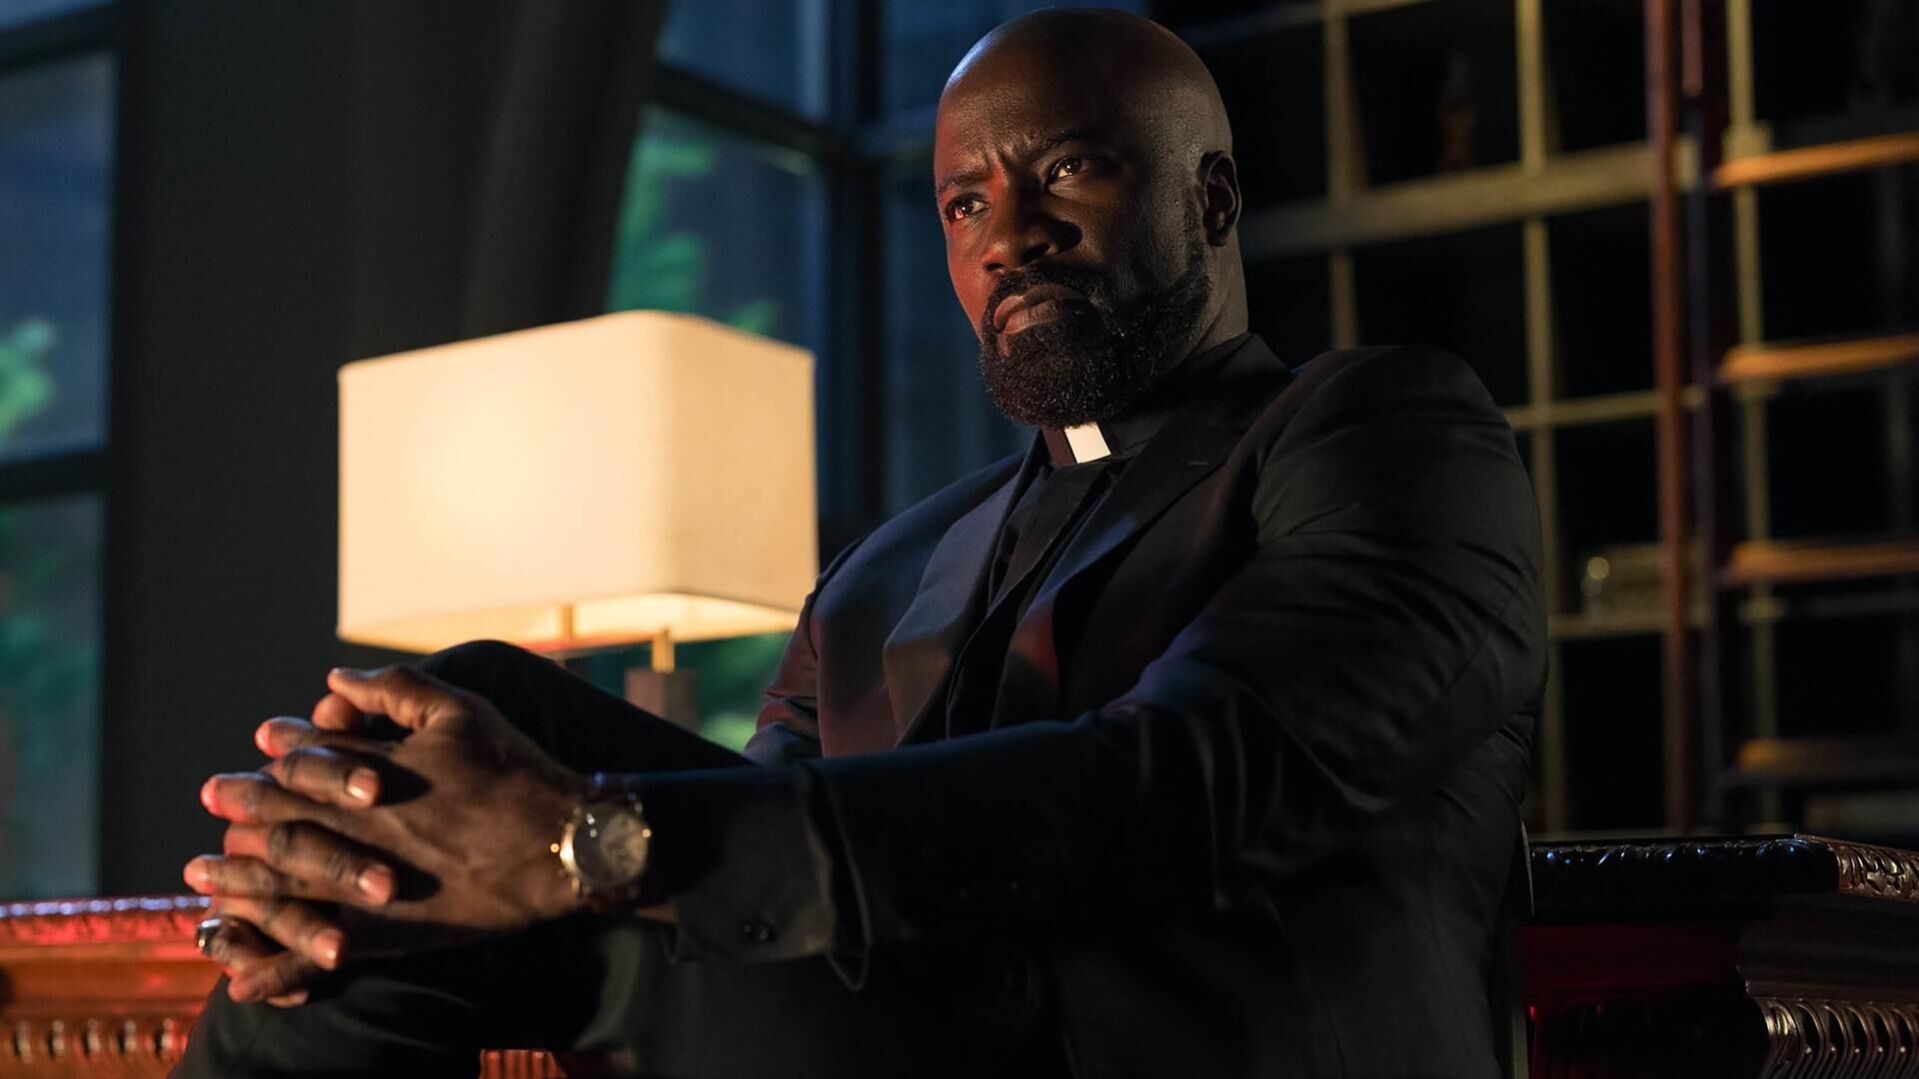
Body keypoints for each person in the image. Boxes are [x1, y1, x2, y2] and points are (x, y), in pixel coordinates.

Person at [176, 9, 1544, 1077]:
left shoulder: (1385, 431)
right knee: (443, 740)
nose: (1009, 237)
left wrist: (596, 842)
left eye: (1069, 168)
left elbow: (1199, 781)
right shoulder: (885, 573)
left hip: (1184, 1045)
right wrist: (363, 860)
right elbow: (753, 892)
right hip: (880, 1039)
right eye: (964, 203)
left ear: (1214, 200)